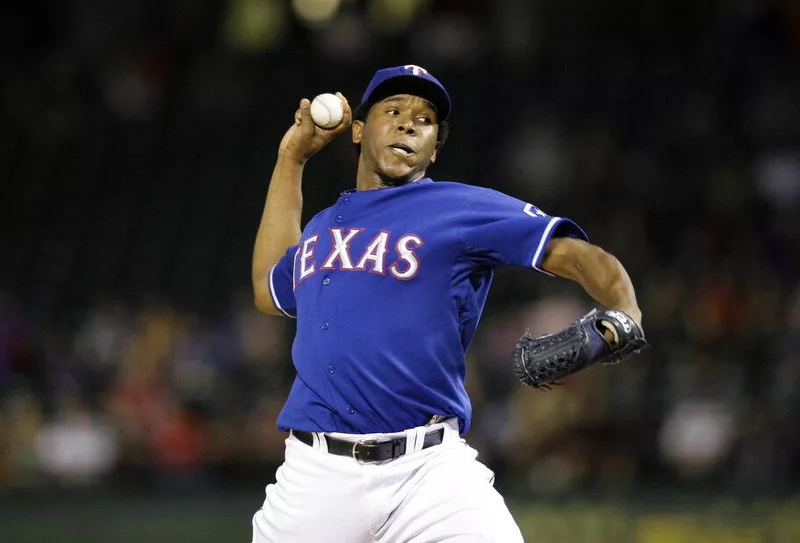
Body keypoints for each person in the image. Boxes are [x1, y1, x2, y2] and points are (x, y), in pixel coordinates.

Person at [250, 65, 643, 542]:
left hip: (428, 472)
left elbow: (582, 257)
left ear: (434, 148)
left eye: (424, 119)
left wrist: (625, 311)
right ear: (358, 130)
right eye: (392, 110)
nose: (408, 123)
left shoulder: (462, 209)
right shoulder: (320, 229)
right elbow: (269, 291)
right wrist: (291, 159)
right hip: (316, 476)